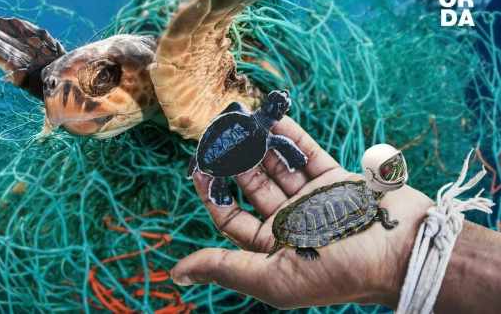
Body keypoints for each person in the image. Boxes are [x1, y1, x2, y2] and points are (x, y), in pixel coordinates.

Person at [171, 117, 501, 313]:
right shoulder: (370, 205)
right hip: (317, 215)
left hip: (313, 216)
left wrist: (404, 254)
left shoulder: (370, 204)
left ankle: (202, 167)